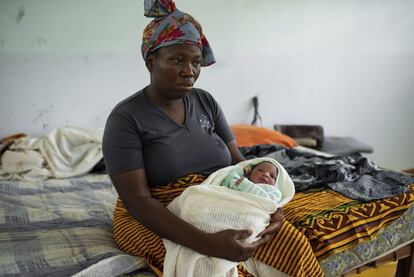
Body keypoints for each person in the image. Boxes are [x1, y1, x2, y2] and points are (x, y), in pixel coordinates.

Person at [103, 1, 322, 276]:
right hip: (156, 213)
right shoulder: (126, 119)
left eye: (196, 61)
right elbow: (138, 202)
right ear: (150, 61)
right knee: (207, 264)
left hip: (220, 198)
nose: (190, 71)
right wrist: (209, 243)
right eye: (177, 60)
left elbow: (239, 164)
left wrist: (270, 205)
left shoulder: (205, 101)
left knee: (293, 245)